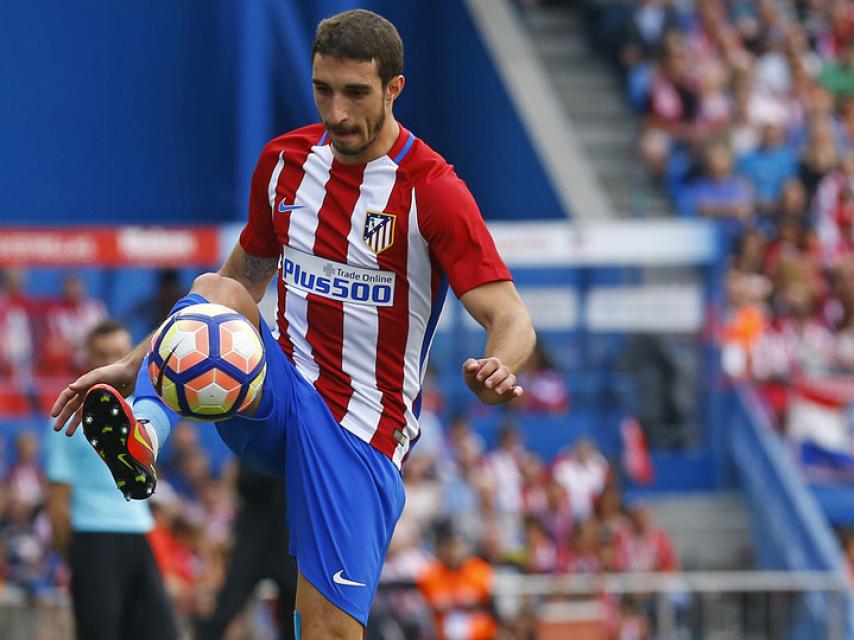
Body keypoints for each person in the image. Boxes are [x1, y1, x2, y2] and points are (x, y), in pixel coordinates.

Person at [50, 9, 536, 640]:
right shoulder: (286, 164)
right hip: (277, 389)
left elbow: (510, 314)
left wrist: (501, 361)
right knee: (214, 288)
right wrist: (132, 363)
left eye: (355, 93)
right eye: (323, 90)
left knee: (325, 627)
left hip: (360, 429)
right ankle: (145, 430)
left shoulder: (433, 191)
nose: (336, 112)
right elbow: (236, 283)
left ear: (395, 88)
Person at [44, 320, 179, 640]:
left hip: (139, 536)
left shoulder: (143, 414)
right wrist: (76, 556)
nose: (111, 362)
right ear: (88, 358)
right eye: (102, 355)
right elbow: (57, 504)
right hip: (93, 539)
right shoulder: (71, 416)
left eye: (119, 354)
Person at [195, 461, 298, 640]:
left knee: (293, 613)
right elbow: (245, 483)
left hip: (283, 540)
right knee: (225, 608)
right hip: (256, 539)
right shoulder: (259, 448)